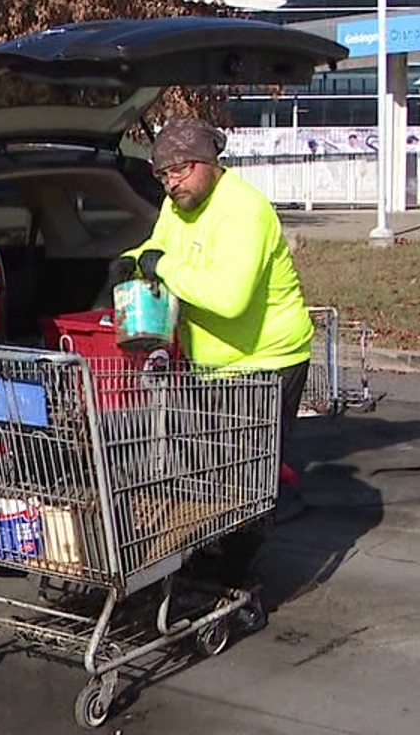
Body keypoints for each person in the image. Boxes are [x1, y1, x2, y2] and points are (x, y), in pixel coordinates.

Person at [109, 118, 313, 593]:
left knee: (246, 481)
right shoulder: (178, 205)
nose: (171, 183)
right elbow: (161, 248)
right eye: (162, 175)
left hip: (266, 361)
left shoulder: (243, 211)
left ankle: (237, 582)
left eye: (179, 170)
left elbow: (228, 296)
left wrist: (163, 265)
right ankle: (209, 560)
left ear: (207, 163)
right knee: (206, 471)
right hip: (209, 363)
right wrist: (135, 256)